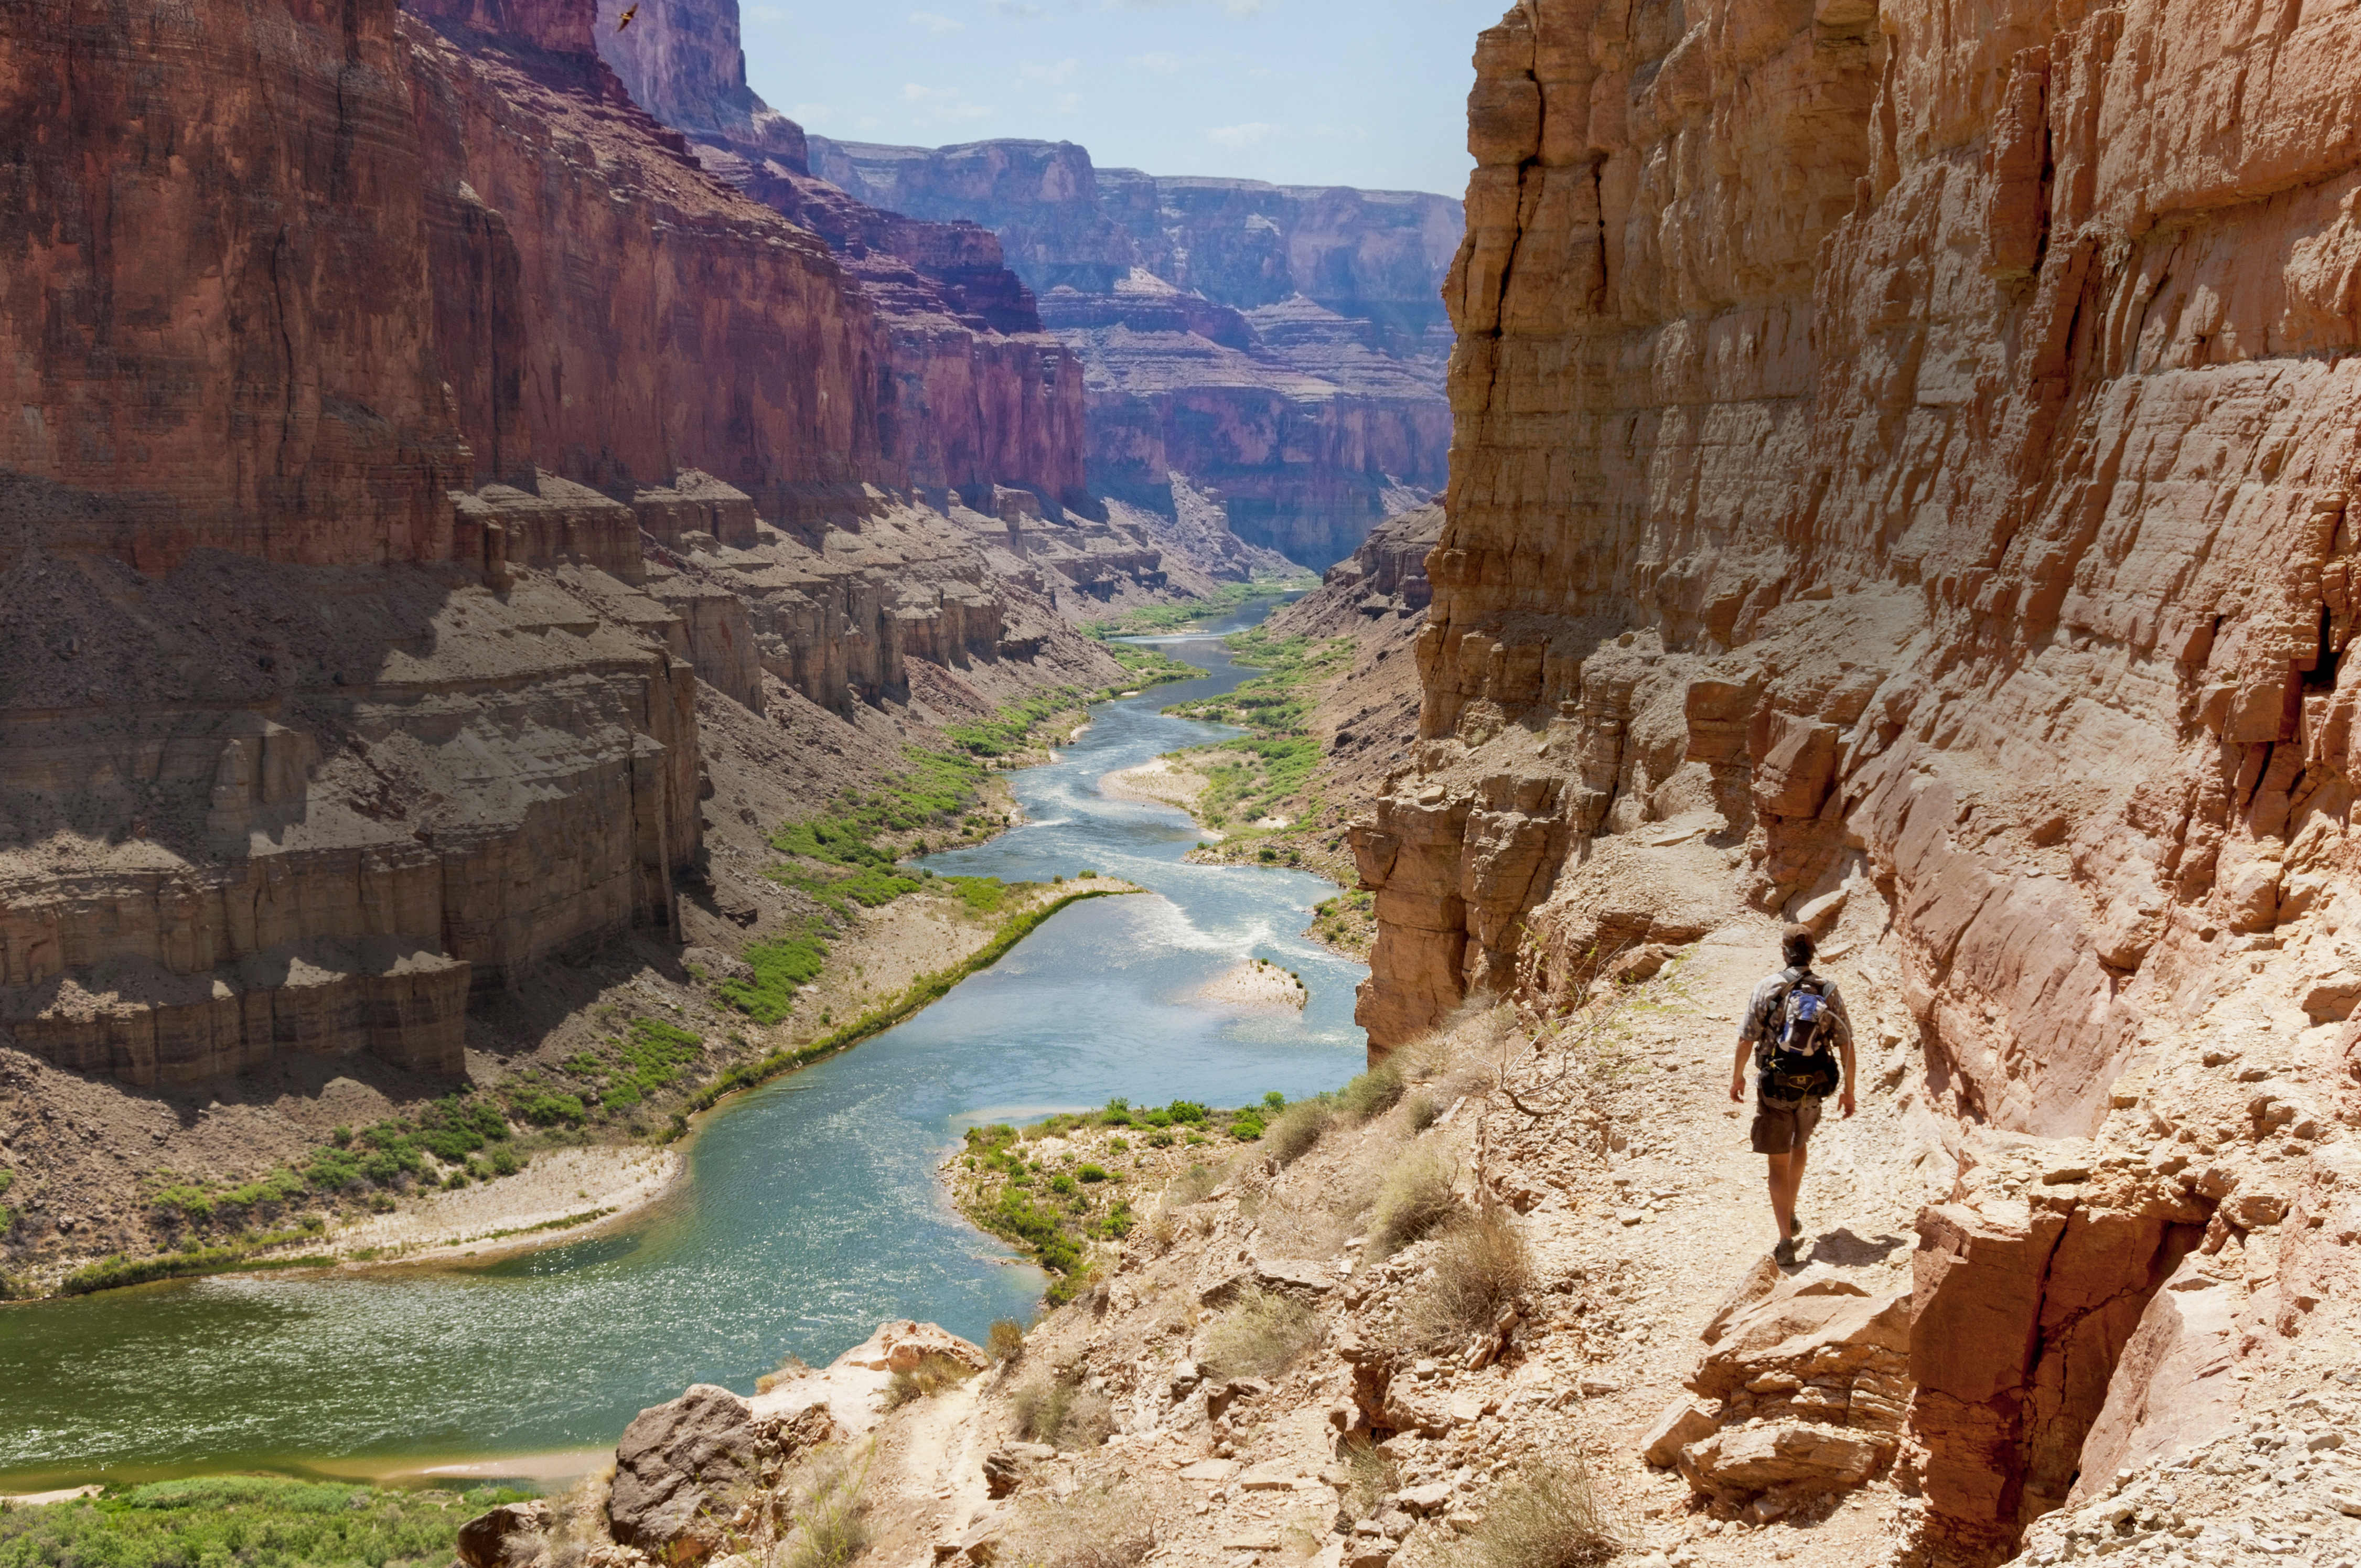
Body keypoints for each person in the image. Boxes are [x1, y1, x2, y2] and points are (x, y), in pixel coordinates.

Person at [1728, 923, 1856, 1264]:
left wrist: (1738, 1078)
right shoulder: (1828, 990)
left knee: (1778, 1161)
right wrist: (1849, 1091)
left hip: (1776, 1088)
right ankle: (1792, 1210)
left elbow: (1746, 1038)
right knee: (1799, 1145)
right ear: (1813, 952)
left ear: (1784, 953)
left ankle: (1786, 1240)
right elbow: (1846, 1043)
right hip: (1815, 1087)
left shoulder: (1767, 987)